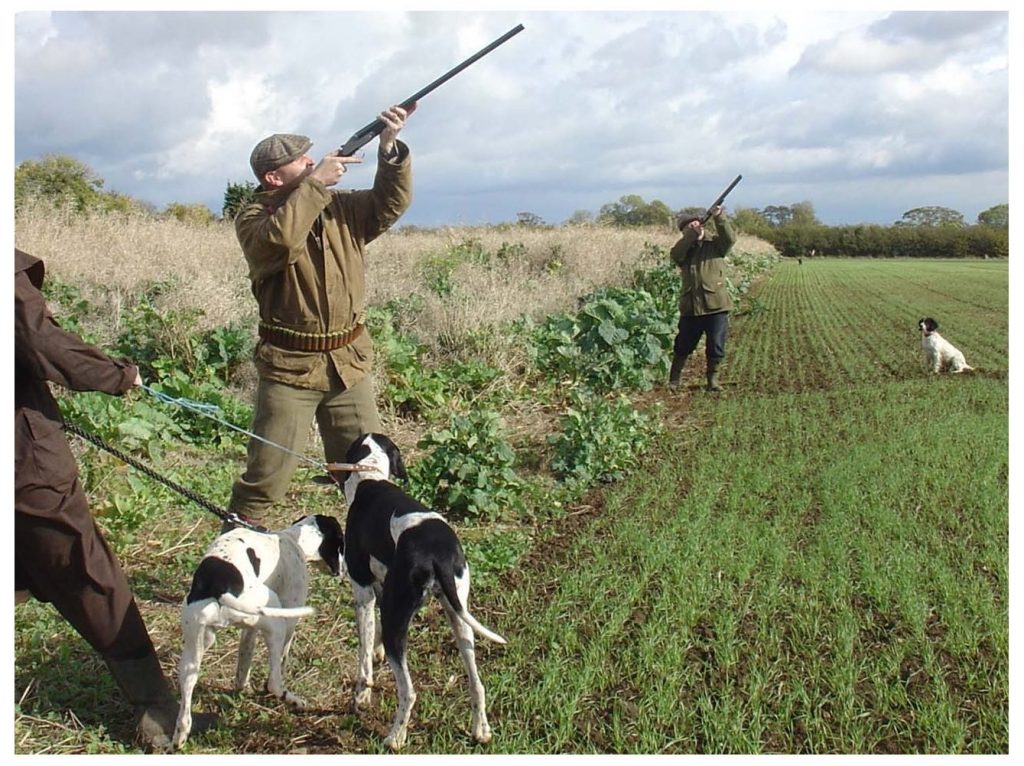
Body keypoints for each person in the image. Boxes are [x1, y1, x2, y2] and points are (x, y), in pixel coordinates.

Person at [14, 248, 215, 750]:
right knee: (86, 570)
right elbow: (40, 340)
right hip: (21, 462)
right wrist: (119, 374)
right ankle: (159, 709)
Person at [227, 104, 415, 523]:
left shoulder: (340, 208)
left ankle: (373, 560)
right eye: (301, 162)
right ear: (273, 178)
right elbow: (278, 244)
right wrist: (314, 186)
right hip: (290, 370)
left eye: (311, 157)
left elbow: (391, 204)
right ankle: (230, 556)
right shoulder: (255, 218)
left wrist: (389, 149)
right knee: (265, 480)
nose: (313, 163)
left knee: (369, 473)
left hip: (348, 365)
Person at [667, 205, 737, 392]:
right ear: (683, 232)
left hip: (716, 305)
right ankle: (674, 380)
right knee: (683, 345)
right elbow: (676, 255)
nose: (695, 228)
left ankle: (712, 380)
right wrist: (691, 236)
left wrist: (719, 216)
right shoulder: (682, 250)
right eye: (689, 227)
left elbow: (730, 239)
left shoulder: (715, 245)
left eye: (697, 225)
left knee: (716, 346)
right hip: (691, 307)